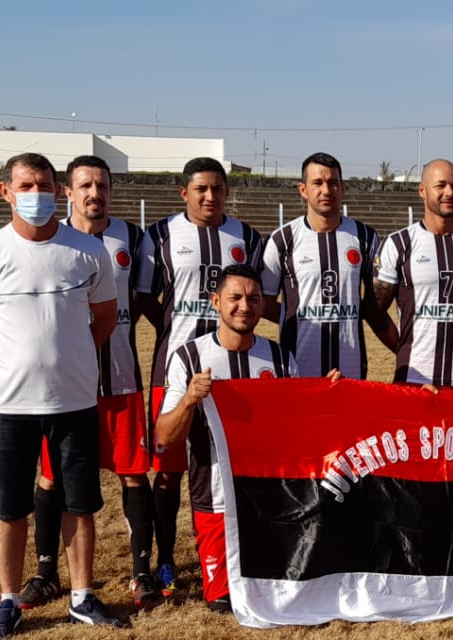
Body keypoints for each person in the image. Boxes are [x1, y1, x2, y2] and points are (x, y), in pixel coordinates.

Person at [0, 153, 126, 637]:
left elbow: (105, 319)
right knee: (9, 508)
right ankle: (8, 601)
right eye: (27, 186)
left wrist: (65, 360)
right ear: (5, 191)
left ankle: (81, 595)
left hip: (74, 403)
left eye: (46, 186)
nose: (38, 195)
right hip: (10, 407)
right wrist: (13, 366)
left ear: (60, 191)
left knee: (81, 503)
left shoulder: (87, 251)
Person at [22, 156, 161, 612]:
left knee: (133, 472)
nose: (94, 193)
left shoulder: (133, 238)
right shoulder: (52, 238)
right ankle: (45, 573)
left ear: (111, 191)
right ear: (68, 191)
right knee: (50, 476)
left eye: (102, 185)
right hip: (62, 384)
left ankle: (141, 572)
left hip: (120, 377)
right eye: (85, 185)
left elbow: (138, 302)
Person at [153, 264, 331, 612]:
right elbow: (165, 436)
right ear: (216, 302)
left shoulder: (280, 359)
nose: (245, 306)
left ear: (263, 306)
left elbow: (298, 431)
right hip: (216, 498)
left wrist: (327, 395)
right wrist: (189, 399)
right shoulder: (189, 357)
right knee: (222, 602)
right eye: (235, 298)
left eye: (253, 299)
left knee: (281, 593)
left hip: (271, 501)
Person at [135, 157, 264, 599]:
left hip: (232, 370)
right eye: (201, 189)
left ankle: (240, 553)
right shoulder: (160, 236)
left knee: (231, 461)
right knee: (169, 470)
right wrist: (175, 330)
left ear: (228, 192)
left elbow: (253, 294)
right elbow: (146, 298)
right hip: (174, 365)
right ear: (184, 193)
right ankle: (165, 559)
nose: (210, 197)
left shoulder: (246, 237)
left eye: (218, 189)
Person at [262, 152, 397, 378]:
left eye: (333, 183)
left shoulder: (365, 238)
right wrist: (298, 318)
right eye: (317, 183)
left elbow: (375, 305)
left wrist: (403, 351)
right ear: (303, 190)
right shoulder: (282, 240)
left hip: (350, 370)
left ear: (343, 188)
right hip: (297, 370)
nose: (326, 190)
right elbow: (264, 303)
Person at [374, 159, 453, 387]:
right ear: (422, 190)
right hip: (414, 378)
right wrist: (402, 345)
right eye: (441, 186)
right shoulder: (399, 243)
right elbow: (375, 309)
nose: (449, 192)